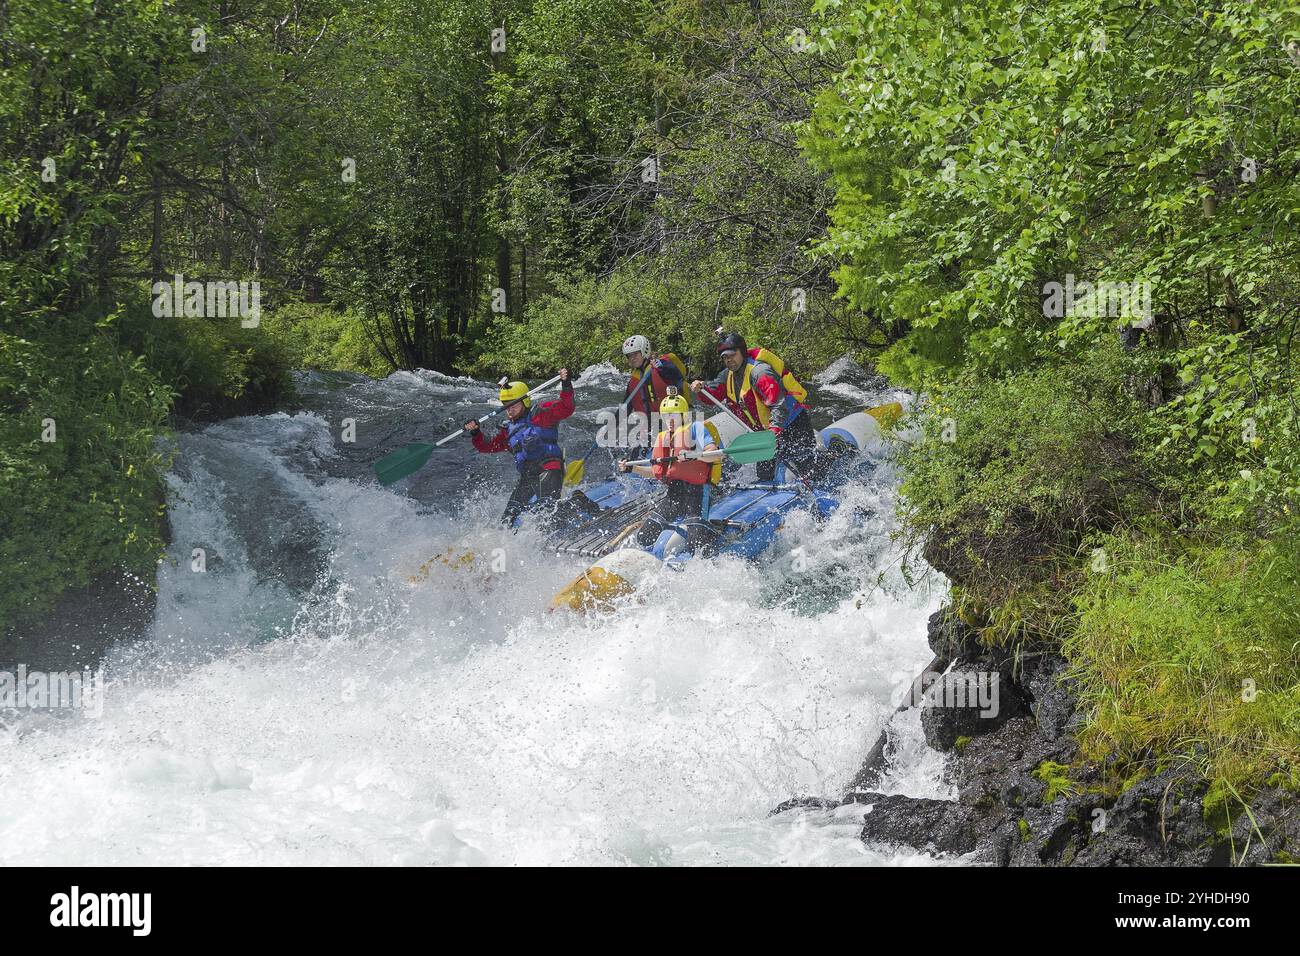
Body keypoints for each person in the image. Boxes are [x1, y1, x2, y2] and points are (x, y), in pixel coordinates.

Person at [690, 331, 818, 482]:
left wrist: (773, 434)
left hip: (792, 425)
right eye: (725, 357)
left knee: (810, 471)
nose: (729, 359)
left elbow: (779, 405)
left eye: (732, 354)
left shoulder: (759, 372)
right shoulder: (727, 375)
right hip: (766, 432)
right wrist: (701, 388)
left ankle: (834, 457)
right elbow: (713, 396)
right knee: (764, 475)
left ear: (742, 352)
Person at [464, 368, 575, 528]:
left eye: (513, 404)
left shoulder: (541, 414)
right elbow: (487, 446)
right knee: (507, 520)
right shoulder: (508, 430)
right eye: (505, 406)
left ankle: (574, 505)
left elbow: (566, 407)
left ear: (525, 401)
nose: (509, 409)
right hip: (528, 477)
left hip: (549, 470)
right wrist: (475, 432)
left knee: (546, 516)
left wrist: (566, 385)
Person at [618, 390, 722, 555]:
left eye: (673, 414)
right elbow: (656, 472)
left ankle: (714, 533)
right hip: (675, 494)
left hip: (698, 492)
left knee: (696, 542)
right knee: (645, 535)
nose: (670, 419)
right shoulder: (663, 438)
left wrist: (694, 455)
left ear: (683, 415)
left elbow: (715, 453)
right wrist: (631, 468)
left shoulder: (696, 429)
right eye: (666, 415)